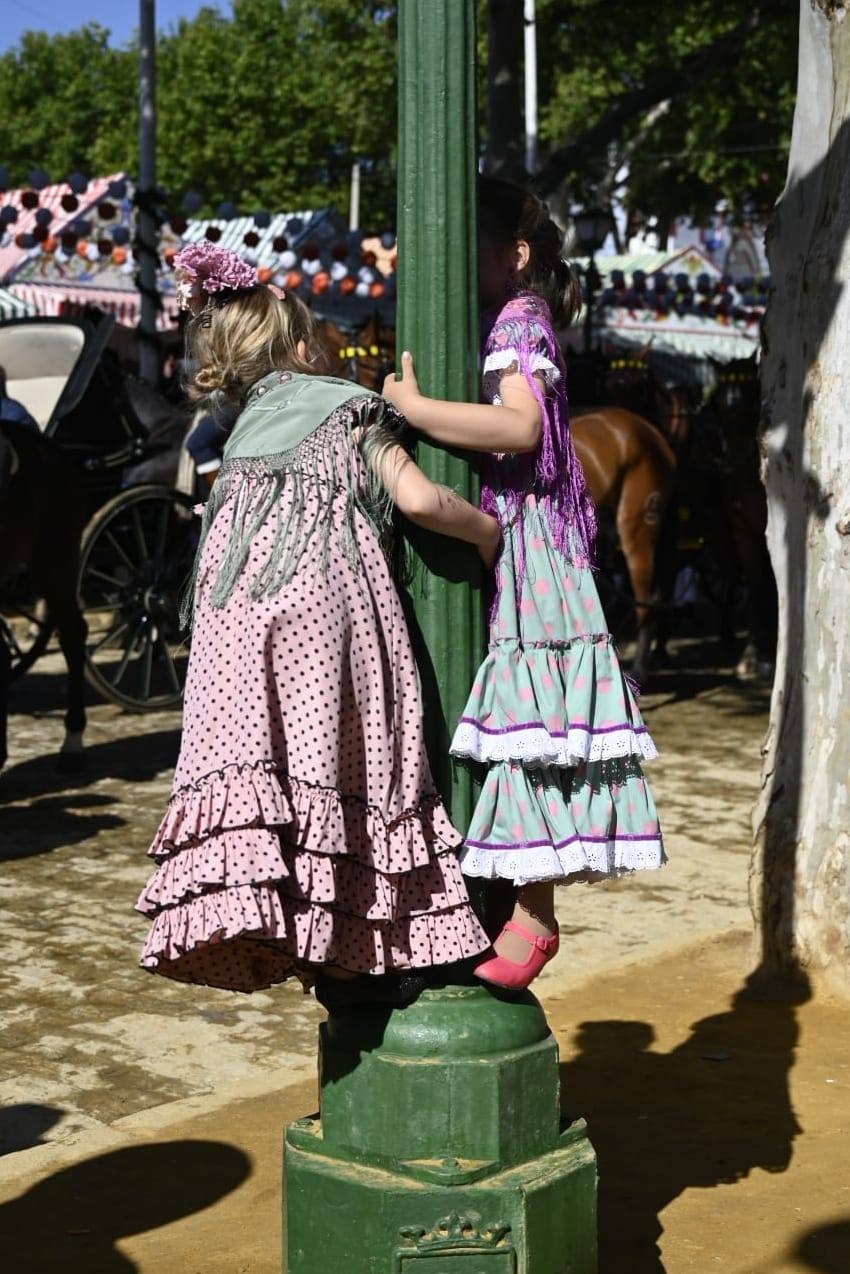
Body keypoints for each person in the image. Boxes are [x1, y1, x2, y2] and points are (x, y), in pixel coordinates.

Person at [136, 242, 497, 996]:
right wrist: (489, 534)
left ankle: (283, 923)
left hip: (231, 619)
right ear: (303, 347)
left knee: (271, 769)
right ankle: (363, 936)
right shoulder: (347, 406)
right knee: (351, 759)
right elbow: (424, 502)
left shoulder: (239, 436)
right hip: (320, 603)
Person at [383, 176, 665, 991]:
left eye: (468, 243)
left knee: (533, 726)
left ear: (513, 255)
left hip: (536, 540)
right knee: (525, 725)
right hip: (529, 532)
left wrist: (417, 407)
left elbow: (521, 426)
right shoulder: (505, 318)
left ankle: (535, 916)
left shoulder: (517, 318)